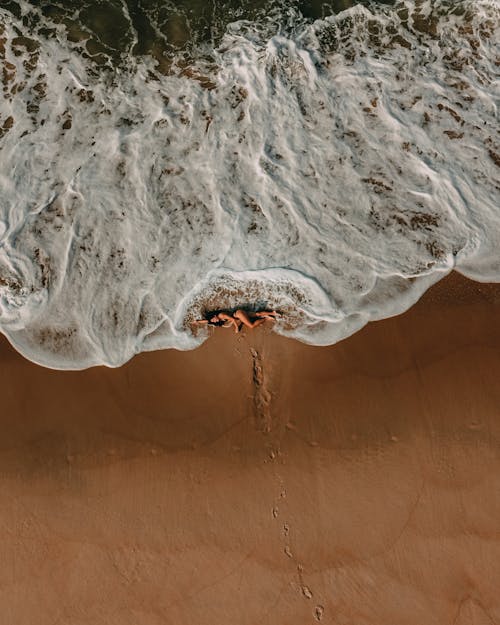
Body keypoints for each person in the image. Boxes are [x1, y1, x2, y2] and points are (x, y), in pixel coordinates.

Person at [193, 309, 278, 333]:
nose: (215, 321)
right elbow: (207, 321)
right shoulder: (212, 320)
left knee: (251, 326)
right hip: (239, 312)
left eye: (214, 319)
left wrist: (236, 328)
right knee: (256, 314)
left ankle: (266, 318)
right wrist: (197, 321)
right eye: (214, 321)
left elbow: (233, 319)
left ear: (215, 315)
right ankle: (272, 312)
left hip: (238, 314)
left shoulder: (221, 315)